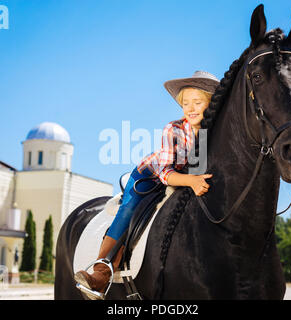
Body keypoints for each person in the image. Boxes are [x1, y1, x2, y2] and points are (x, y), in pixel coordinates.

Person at [75, 70, 219, 300]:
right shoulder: (173, 129)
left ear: (211, 104)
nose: (190, 109)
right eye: (185, 104)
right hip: (150, 176)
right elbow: (166, 172)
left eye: (197, 102)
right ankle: (100, 273)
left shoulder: (213, 134)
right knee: (128, 210)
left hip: (184, 180)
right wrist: (191, 181)